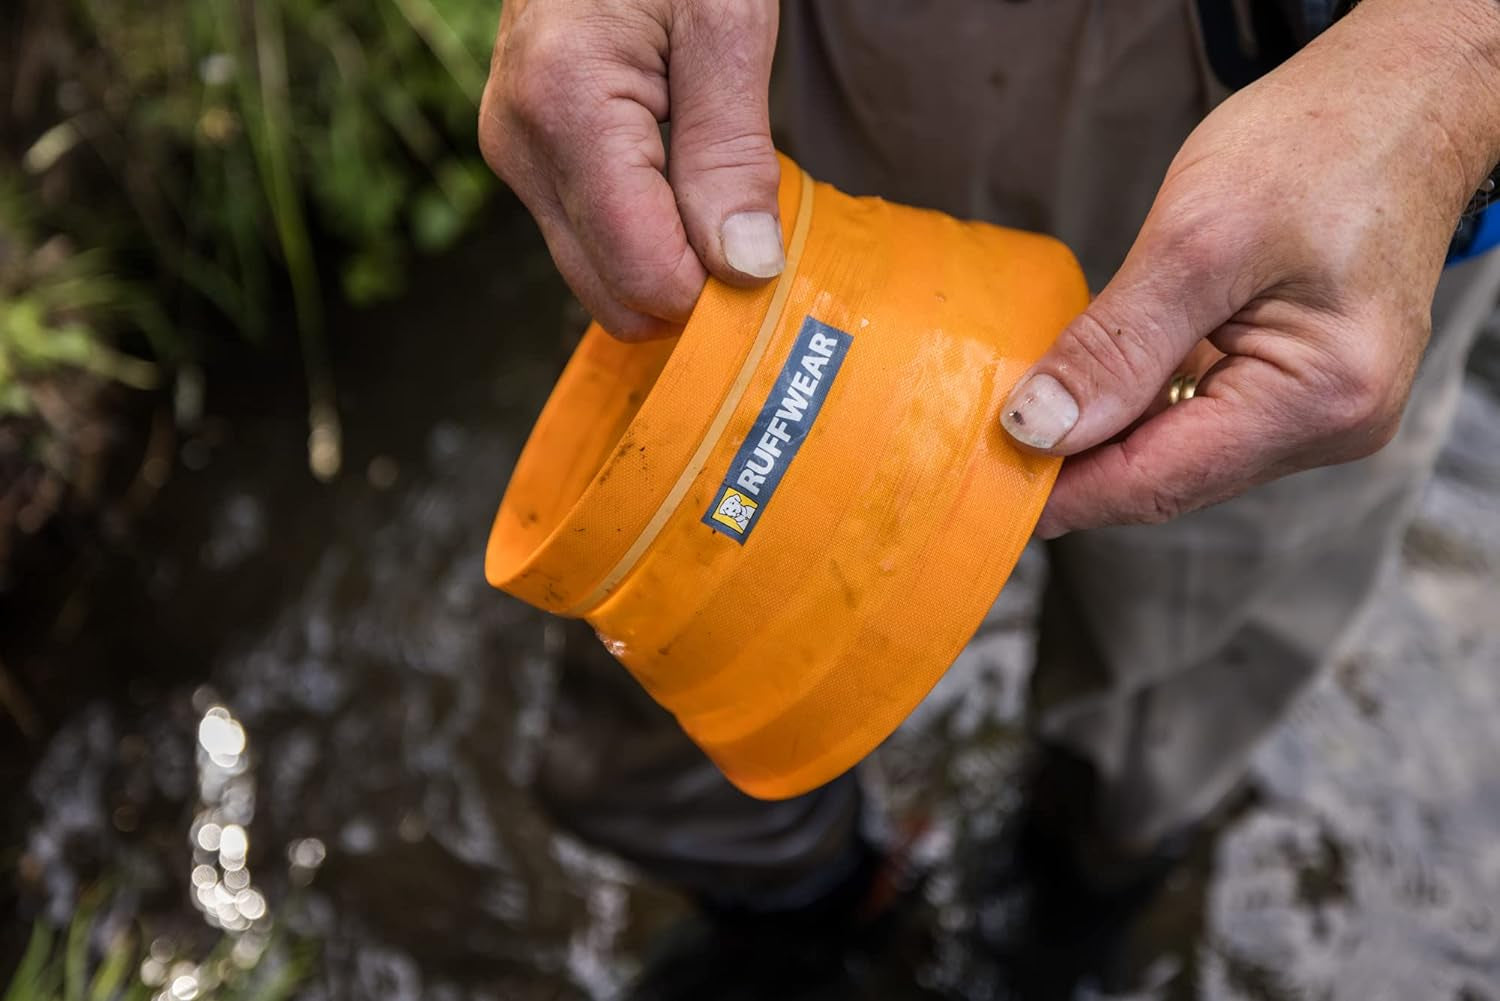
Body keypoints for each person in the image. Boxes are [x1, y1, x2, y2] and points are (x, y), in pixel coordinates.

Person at [479, 0, 1500, 992]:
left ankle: (1073, 907)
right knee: (684, 609)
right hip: (832, 45)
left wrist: (1454, 69)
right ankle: (809, 915)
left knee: (1172, 679)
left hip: (1324, 82)